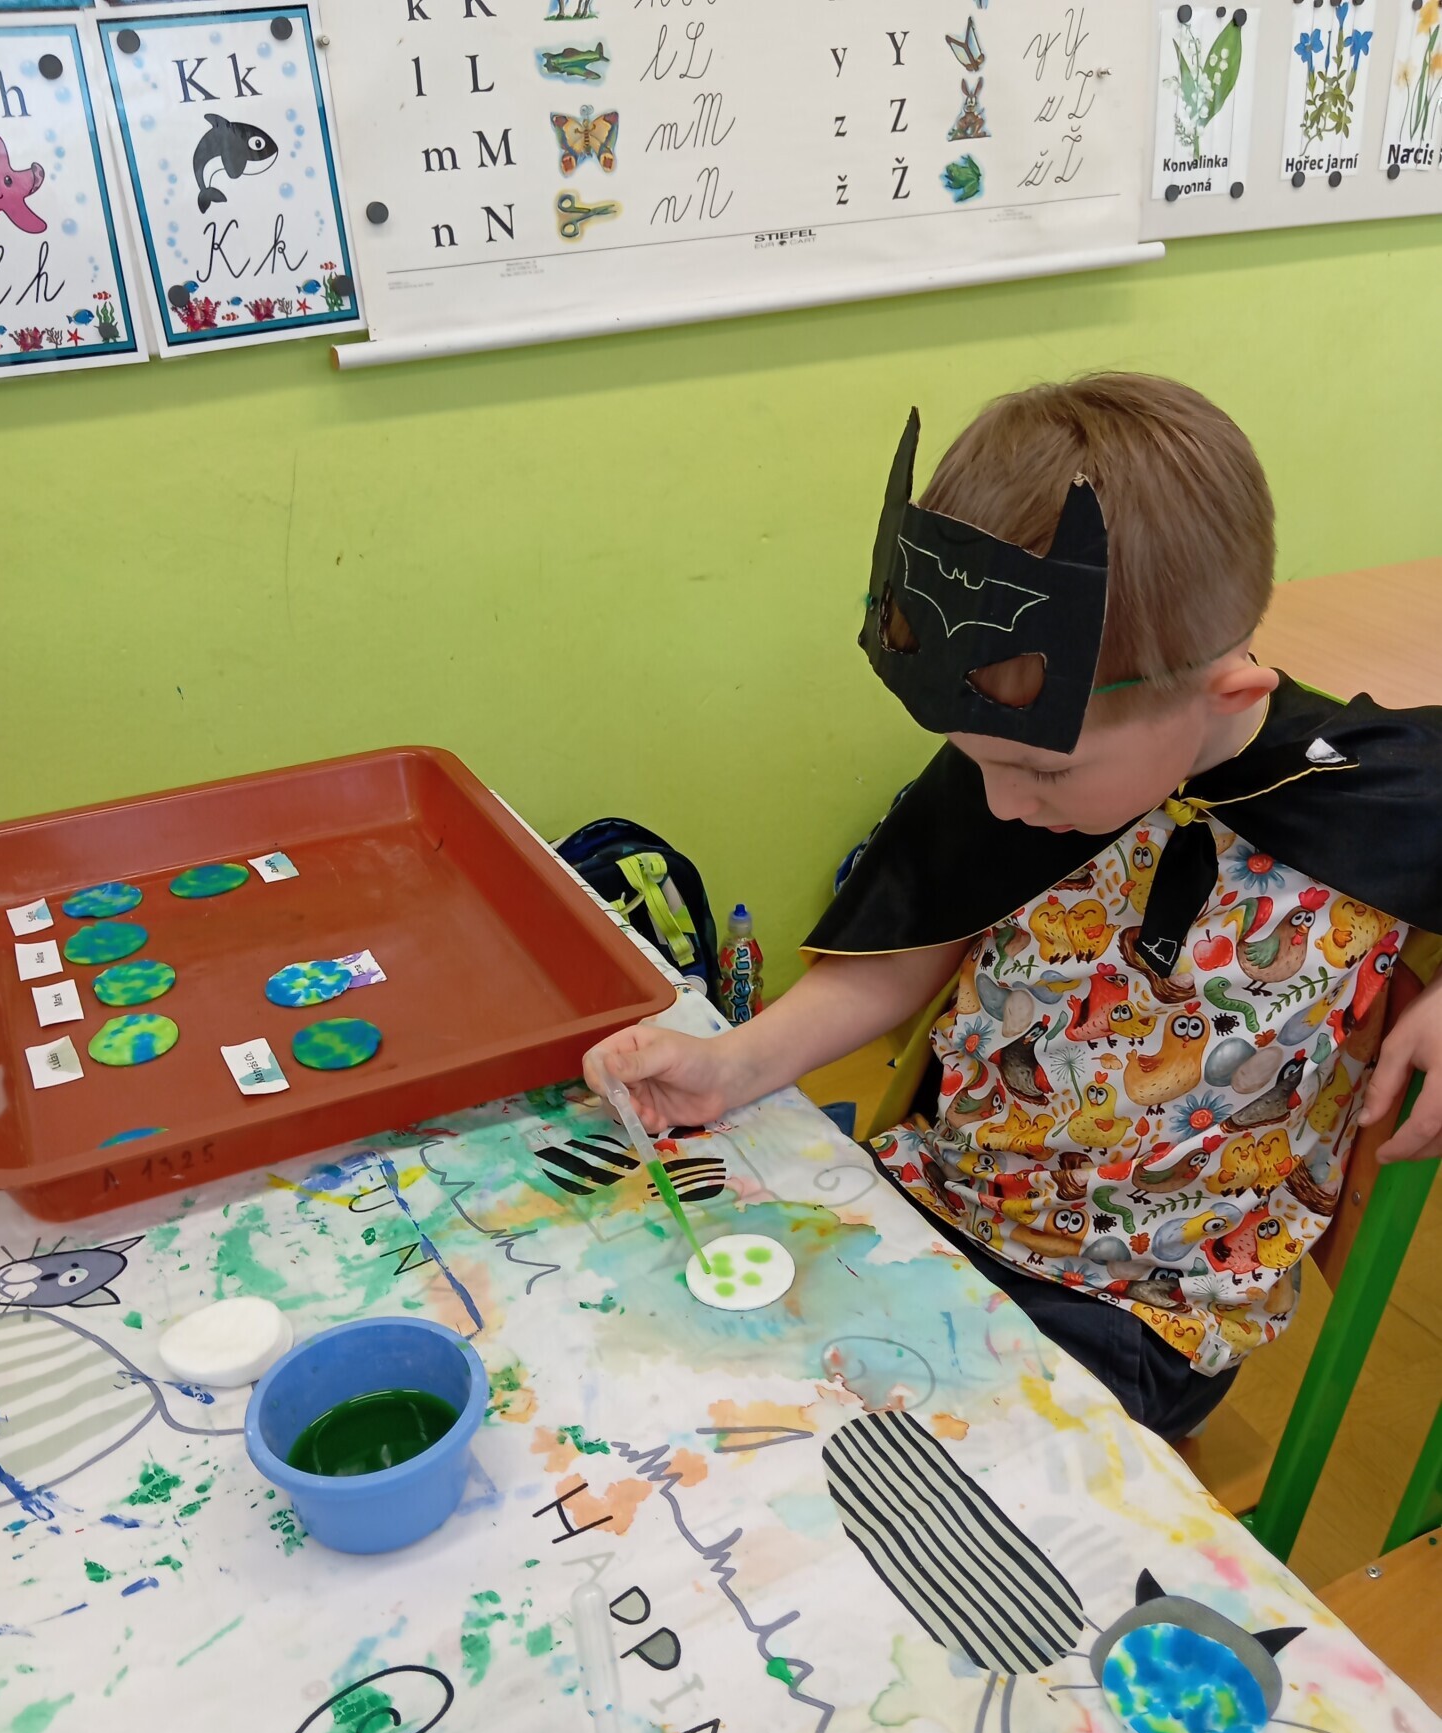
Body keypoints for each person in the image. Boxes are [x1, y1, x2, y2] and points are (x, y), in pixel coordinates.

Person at [585, 374, 1442, 1441]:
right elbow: (907, 947)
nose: (998, 803)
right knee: (680, 1356)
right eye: (974, 761)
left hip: (1140, 1315)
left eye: (1039, 776)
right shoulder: (1030, 748)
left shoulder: (1375, 788)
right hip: (936, 1200)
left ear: (1227, 696)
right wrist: (731, 1067)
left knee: (895, 1465)